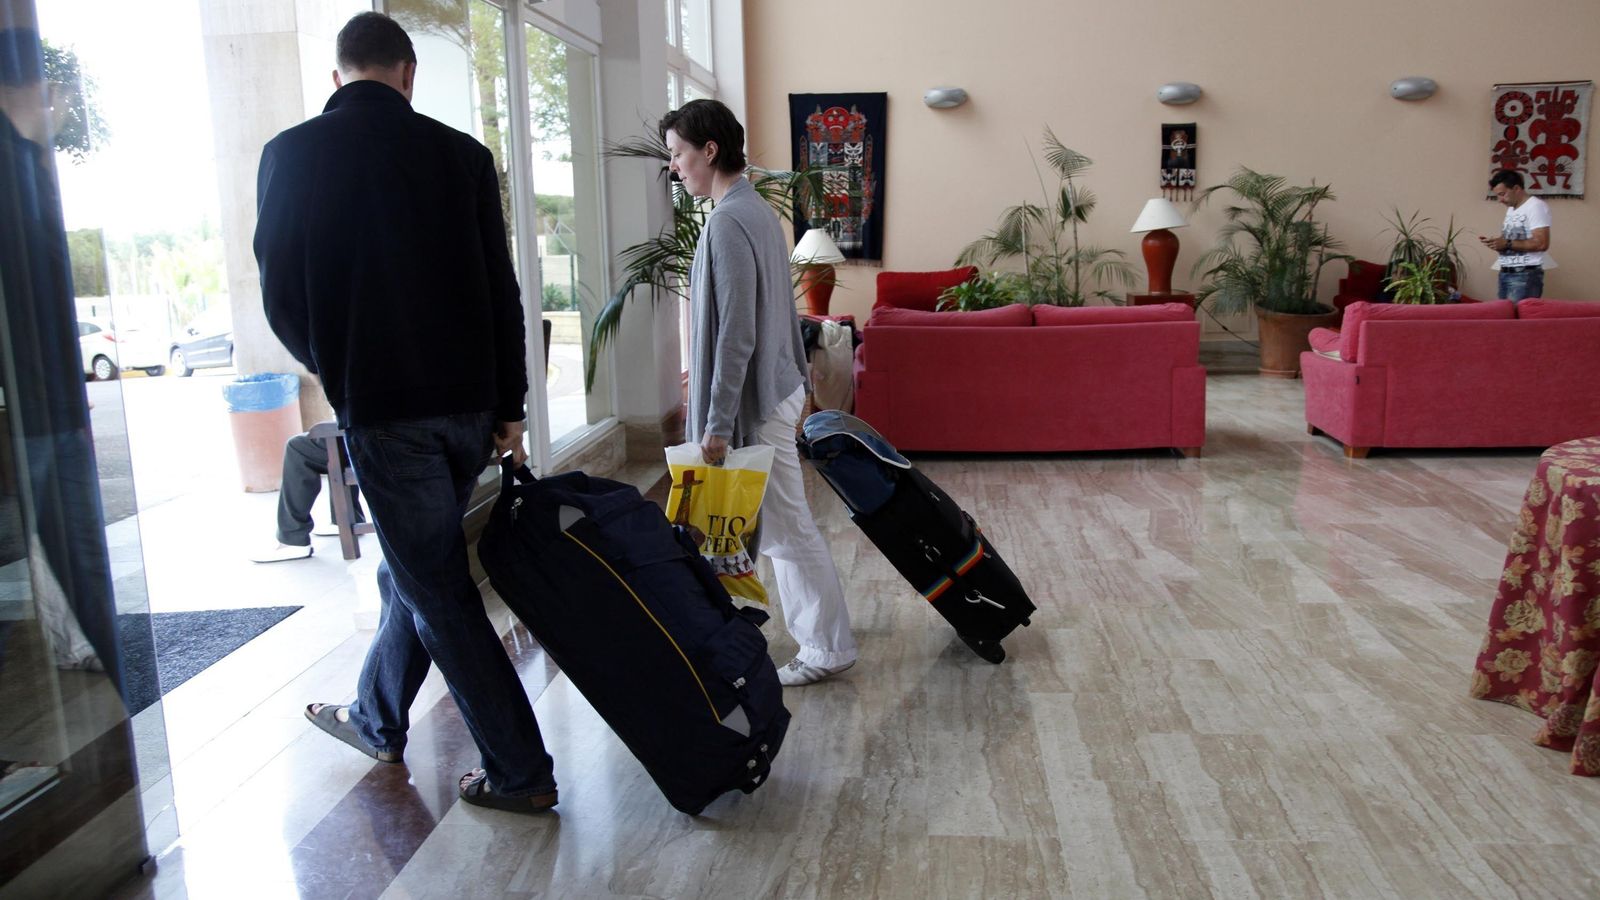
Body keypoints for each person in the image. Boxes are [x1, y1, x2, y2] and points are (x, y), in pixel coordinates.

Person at [254, 12, 555, 813]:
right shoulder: (461, 156)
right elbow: (503, 291)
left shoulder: (291, 155)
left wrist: (335, 365)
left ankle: (521, 770)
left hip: (383, 410)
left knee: (436, 587)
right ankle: (379, 716)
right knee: (413, 570)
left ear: (336, 75)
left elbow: (280, 294)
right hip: (467, 411)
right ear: (408, 72)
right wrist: (511, 403)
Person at [664, 99, 858, 687]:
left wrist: (718, 423)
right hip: (775, 390)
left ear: (710, 151)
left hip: (755, 400)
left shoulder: (728, 220)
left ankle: (826, 646)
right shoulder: (754, 212)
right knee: (780, 525)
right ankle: (821, 633)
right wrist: (803, 384)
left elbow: (738, 333)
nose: (675, 168)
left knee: (786, 524)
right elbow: (782, 310)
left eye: (678, 155)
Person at [249, 430, 368, 563]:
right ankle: (345, 518)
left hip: (375, 438)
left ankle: (293, 539)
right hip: (387, 436)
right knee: (337, 434)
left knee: (298, 447)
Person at [1480, 169, 1551, 301]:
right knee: (1506, 319)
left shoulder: (1535, 206)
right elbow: (1512, 240)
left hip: (1524, 275)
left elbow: (1542, 243)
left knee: (1517, 320)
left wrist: (1507, 243)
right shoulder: (1511, 210)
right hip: (1506, 272)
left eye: (1502, 194)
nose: (1500, 200)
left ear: (1516, 188)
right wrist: (1497, 244)